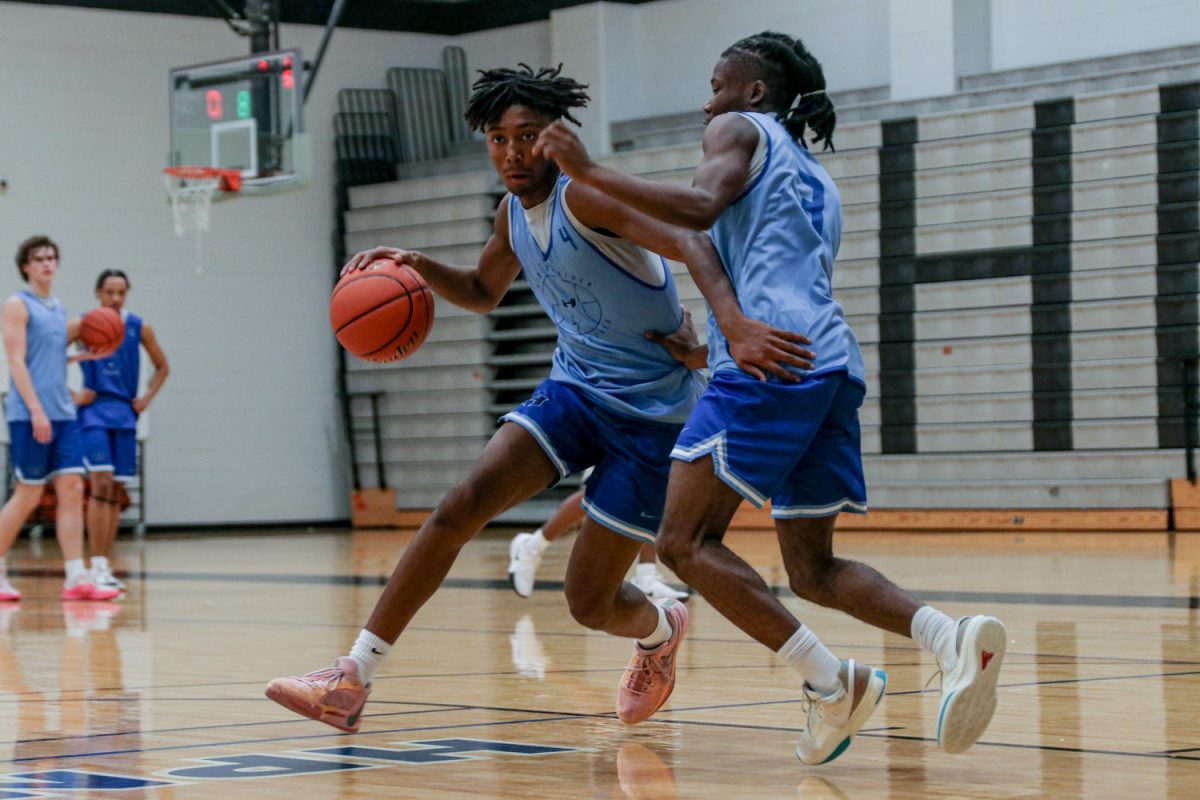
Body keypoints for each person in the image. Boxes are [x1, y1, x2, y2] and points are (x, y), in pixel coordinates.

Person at [266, 64, 813, 732]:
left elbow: (695, 241)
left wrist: (724, 334)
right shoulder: (510, 215)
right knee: (458, 506)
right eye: (498, 138)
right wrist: (416, 265)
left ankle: (658, 631)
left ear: (556, 136)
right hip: (574, 391)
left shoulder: (588, 198)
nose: (512, 152)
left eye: (527, 136)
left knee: (588, 604)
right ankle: (352, 676)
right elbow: (480, 291)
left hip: (651, 418)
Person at [536, 31, 1007, 763]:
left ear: (755, 93)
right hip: (827, 365)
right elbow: (773, 263)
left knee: (681, 543)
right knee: (813, 571)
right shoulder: (814, 176)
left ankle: (831, 686)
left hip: (770, 364)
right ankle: (950, 639)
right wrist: (711, 344)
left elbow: (697, 210)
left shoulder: (739, 128)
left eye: (719, 83)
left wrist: (589, 169)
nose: (707, 101)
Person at [0, 236, 119, 603]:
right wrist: (36, 408)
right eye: (39, 259)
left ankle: (76, 577)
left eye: (51, 258)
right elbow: (17, 361)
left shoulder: (58, 308)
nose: (47, 264)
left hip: (63, 414)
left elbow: (50, 359)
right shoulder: (18, 305)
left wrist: (82, 359)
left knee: (72, 489)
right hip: (30, 413)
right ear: (26, 266)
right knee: (29, 494)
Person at [76, 269, 169, 592]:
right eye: (109, 292)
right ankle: (94, 562)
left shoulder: (138, 326)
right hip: (93, 414)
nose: (115, 298)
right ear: (98, 293)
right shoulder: (84, 324)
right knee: (99, 484)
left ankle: (105, 564)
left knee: (115, 491)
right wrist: (71, 395)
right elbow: (49, 355)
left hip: (126, 416)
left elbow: (163, 366)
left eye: (121, 292)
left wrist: (146, 397)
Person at [508, 470, 688, 601]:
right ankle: (531, 546)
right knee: (596, 494)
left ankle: (646, 576)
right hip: (616, 424)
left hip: (648, 427)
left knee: (650, 488)